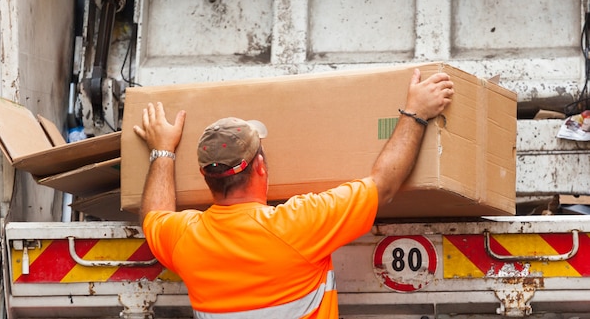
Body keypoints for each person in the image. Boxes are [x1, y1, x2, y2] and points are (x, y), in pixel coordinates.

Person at [134, 68, 454, 319]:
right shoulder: (297, 226)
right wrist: (417, 113)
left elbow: (153, 217)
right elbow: (383, 185)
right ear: (260, 166)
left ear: (206, 176)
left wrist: (162, 150)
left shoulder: (186, 240)